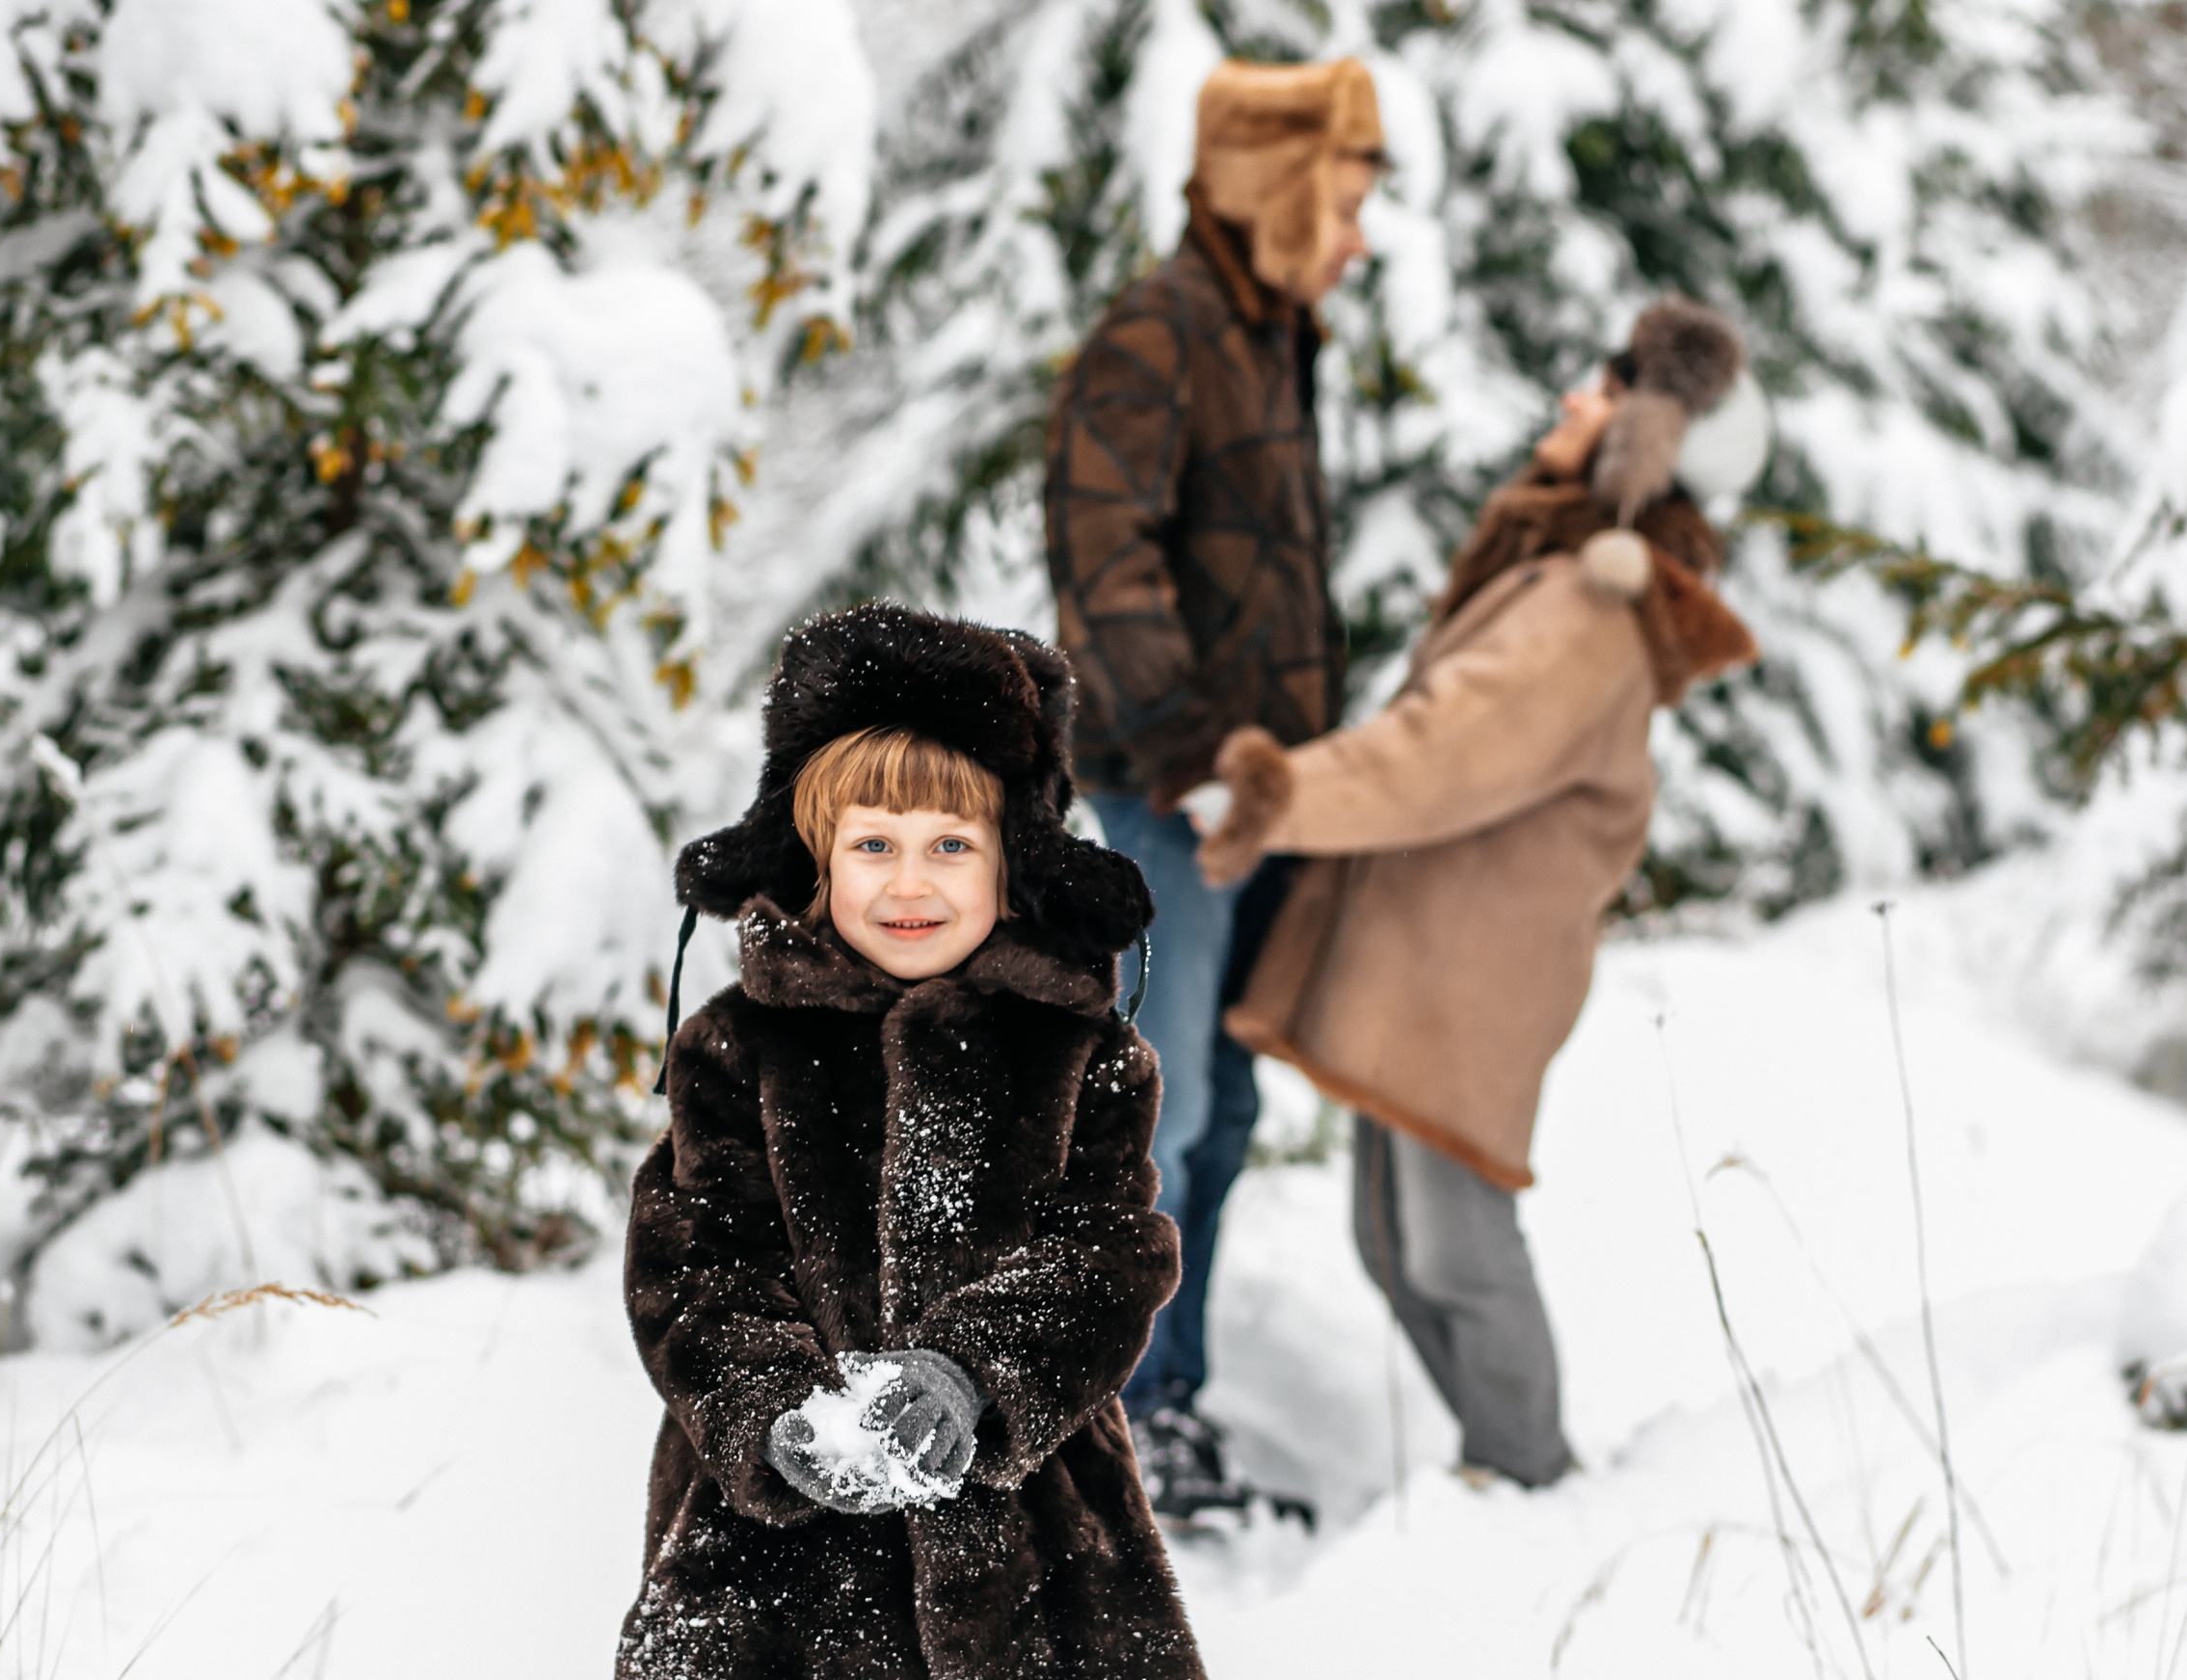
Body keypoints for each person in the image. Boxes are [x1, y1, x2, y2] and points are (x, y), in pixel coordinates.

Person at [1193, 298, 1773, 1488]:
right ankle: (1509, 1478)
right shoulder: (1558, 576)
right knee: (1394, 1244)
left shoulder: (1588, 609)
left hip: (1472, 977)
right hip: (1430, 965)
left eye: (1608, 388)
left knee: (1450, 1248)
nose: (1573, 397)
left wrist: (1277, 797)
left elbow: (1439, 751)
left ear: (1651, 439)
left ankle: (1532, 1485)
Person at [617, 603, 1203, 1680]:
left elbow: (1105, 1257)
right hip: (775, 1571)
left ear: (1012, 862)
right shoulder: (736, 1050)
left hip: (1031, 1553)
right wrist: (774, 1416)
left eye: (951, 845)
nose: (910, 882)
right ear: (814, 856)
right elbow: (694, 1267)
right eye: (872, 845)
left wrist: (970, 1373)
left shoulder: (1087, 1056)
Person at [1043, 55, 1383, 1512]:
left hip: (1258, 810)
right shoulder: (1160, 332)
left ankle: (1163, 1405)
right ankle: (1104, 1430)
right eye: (1348, 195)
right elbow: (1101, 553)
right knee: (1156, 1120)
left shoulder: (1271, 333)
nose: (1362, 233)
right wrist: (1186, 749)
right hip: (1169, 801)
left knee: (1223, 1112)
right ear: (1278, 186)